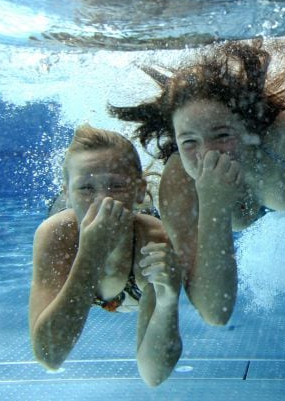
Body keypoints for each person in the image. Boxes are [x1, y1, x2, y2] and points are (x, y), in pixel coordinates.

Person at [109, 39, 285, 326]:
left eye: (222, 135)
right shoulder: (179, 183)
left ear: (247, 127)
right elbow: (215, 312)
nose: (208, 154)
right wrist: (214, 204)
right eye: (189, 141)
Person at [29, 124, 182, 387]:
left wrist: (168, 302)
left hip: (139, 225)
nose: (103, 201)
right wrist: (91, 252)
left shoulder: (155, 242)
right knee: (65, 220)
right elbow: (49, 356)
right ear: (67, 193)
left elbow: (153, 375)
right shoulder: (57, 236)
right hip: (72, 224)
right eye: (86, 189)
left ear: (138, 190)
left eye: (116, 185)